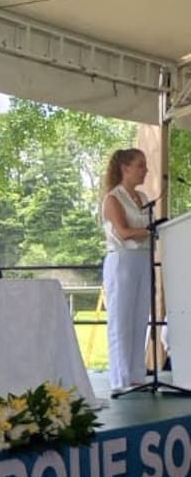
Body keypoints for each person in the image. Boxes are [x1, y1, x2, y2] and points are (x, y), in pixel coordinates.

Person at [100, 148, 152, 392]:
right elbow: (123, 231)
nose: (145, 170)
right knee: (121, 320)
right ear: (125, 168)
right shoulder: (113, 198)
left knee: (141, 316)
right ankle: (120, 378)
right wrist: (152, 230)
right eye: (140, 165)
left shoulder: (142, 198)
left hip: (142, 259)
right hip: (122, 260)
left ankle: (136, 375)